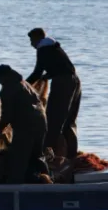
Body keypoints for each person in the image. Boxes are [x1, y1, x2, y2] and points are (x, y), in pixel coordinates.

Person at [25, 28, 81, 159]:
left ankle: (49, 155)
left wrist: (23, 84)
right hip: (75, 81)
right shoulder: (54, 48)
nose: (31, 44)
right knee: (69, 122)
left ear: (39, 37)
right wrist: (48, 75)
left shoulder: (43, 49)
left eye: (31, 40)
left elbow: (37, 72)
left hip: (63, 83)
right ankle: (71, 157)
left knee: (53, 120)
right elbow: (60, 67)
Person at [0, 64, 49, 184]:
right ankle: (47, 181)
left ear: (4, 77)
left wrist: (0, 128)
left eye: (0, 79)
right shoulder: (25, 84)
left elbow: (7, 113)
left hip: (26, 127)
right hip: (41, 123)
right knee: (37, 156)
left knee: (19, 159)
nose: (0, 83)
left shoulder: (7, 89)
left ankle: (15, 186)